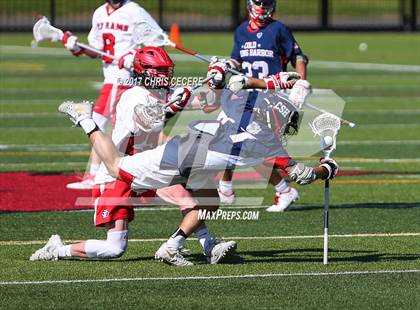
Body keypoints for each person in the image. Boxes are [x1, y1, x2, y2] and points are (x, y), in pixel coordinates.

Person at [47, 85, 339, 265]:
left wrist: (245, 79)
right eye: (286, 123)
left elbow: (223, 89)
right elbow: (302, 175)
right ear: (276, 117)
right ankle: (84, 116)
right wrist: (327, 168)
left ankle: (172, 246)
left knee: (209, 201)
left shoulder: (240, 106)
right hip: (180, 157)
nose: (285, 130)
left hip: (195, 155)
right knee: (116, 167)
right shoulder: (267, 141)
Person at [30, 47, 236, 266]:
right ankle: (58, 249)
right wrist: (174, 106)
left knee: (189, 198)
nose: (165, 76)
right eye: (159, 71)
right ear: (144, 71)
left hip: (149, 165)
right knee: (114, 248)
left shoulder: (166, 91)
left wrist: (217, 80)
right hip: (119, 172)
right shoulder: (132, 96)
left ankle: (207, 245)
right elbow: (147, 121)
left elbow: (209, 104)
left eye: (166, 70)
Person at [206, 0, 311, 212]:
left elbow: (298, 57)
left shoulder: (278, 29)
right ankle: (227, 188)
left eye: (267, 3)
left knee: (247, 145)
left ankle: (280, 189)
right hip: (244, 95)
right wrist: (225, 65)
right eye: (259, 3)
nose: (263, 8)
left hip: (269, 96)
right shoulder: (241, 31)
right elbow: (237, 61)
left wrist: (300, 82)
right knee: (229, 139)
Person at [62, 0, 163, 190]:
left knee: (96, 123)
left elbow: (157, 41)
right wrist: (78, 47)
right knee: (126, 127)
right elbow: (97, 49)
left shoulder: (134, 11)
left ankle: (93, 175)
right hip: (110, 75)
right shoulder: (100, 12)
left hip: (122, 77)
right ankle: (170, 156)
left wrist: (134, 56)